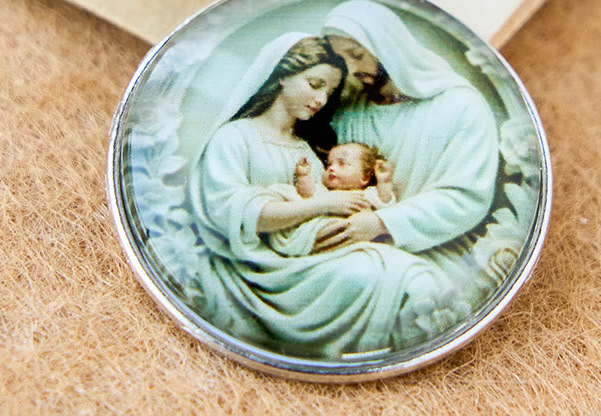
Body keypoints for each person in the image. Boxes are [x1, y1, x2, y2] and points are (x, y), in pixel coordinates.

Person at [188, 33, 447, 357]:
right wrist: (324, 203)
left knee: (416, 276)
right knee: (386, 274)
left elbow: (333, 205)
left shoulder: (306, 150)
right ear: (282, 75)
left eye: (329, 91)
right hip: (263, 270)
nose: (321, 99)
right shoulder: (234, 138)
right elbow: (232, 214)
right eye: (315, 84)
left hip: (313, 260)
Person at [319, 0, 500, 282]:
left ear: (388, 47)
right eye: (342, 60)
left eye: (357, 54)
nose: (351, 69)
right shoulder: (351, 113)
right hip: (354, 247)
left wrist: (382, 222)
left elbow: (466, 198)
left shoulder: (461, 106)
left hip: (433, 250)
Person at [266, 143, 396, 257]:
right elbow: (308, 195)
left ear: (365, 177)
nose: (332, 168)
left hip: (351, 239)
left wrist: (384, 182)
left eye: (342, 164)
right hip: (322, 236)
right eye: (329, 164)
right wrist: (303, 176)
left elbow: (385, 203)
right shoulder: (325, 192)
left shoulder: (365, 195)